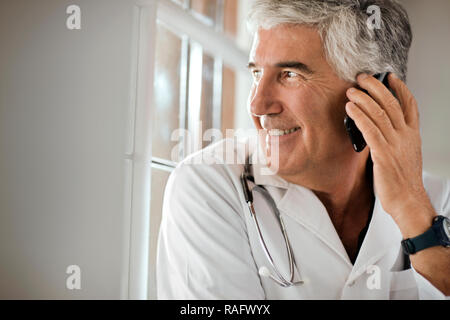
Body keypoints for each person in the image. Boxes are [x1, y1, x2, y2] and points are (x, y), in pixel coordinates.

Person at [156, 0, 450, 299]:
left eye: (289, 75)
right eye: (257, 73)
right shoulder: (209, 184)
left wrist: (413, 210)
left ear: (374, 95)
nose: (257, 106)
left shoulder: (439, 200)